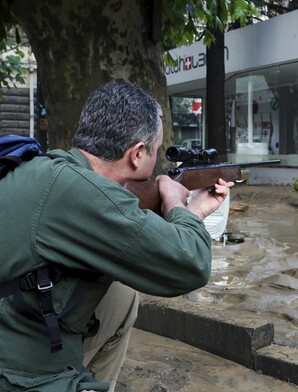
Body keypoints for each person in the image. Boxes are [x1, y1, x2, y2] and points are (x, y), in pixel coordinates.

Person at [0, 80, 234, 391]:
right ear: (138, 154)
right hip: (16, 365)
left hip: (17, 321)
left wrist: (187, 208)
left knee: (120, 298)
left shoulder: (53, 168)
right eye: (157, 150)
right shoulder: (81, 195)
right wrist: (180, 204)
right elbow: (190, 264)